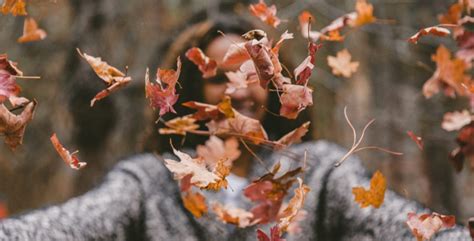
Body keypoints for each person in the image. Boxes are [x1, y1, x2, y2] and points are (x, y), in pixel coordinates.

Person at [0, 10, 471, 241]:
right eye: (219, 78)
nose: (238, 89)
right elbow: (67, 227)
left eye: (252, 74)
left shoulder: (319, 172)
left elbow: (401, 224)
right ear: (190, 95)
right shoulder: (150, 183)